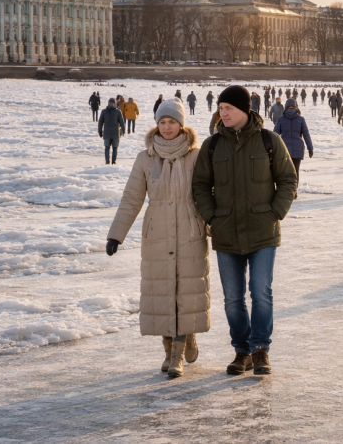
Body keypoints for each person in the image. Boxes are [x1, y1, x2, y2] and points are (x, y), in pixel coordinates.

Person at [191, 85, 298, 377]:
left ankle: (260, 349)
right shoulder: (212, 146)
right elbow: (200, 185)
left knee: (261, 292)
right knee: (233, 298)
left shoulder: (269, 140)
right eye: (221, 108)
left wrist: (276, 212)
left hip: (262, 230)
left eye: (229, 109)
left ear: (244, 110)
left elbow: (288, 179)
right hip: (226, 232)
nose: (223, 113)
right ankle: (242, 351)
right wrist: (212, 216)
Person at [106, 98, 209, 378]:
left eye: (172, 122)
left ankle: (177, 353)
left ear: (181, 124)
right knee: (162, 292)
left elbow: (208, 196)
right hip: (157, 232)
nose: (166, 127)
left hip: (189, 230)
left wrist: (215, 227)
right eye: (162, 122)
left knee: (185, 291)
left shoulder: (196, 155)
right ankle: (169, 349)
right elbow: (132, 199)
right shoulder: (145, 158)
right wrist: (116, 235)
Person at [273, 99, 313, 184]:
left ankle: (287, 190)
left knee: (285, 172)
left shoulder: (280, 119)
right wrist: (310, 148)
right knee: (295, 171)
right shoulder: (301, 119)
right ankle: (294, 191)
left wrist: (272, 149)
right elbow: (306, 135)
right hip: (298, 149)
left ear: (286, 106)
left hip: (284, 149)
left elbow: (275, 135)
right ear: (296, 107)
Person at [98, 98, 125, 165]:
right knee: (115, 148)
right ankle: (113, 162)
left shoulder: (104, 111)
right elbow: (122, 122)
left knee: (107, 148)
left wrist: (100, 131)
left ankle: (107, 161)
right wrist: (123, 130)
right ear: (115, 103)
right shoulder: (118, 112)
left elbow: (100, 122)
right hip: (116, 133)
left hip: (106, 133)